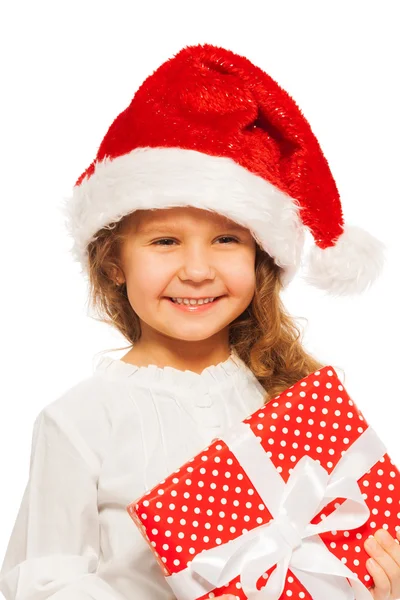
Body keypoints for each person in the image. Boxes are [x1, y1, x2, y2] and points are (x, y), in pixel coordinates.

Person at [0, 42, 396, 600]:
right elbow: (45, 581)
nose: (196, 269)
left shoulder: (295, 399)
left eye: (226, 240)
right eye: (165, 241)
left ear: (260, 257)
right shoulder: (79, 422)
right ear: (114, 260)